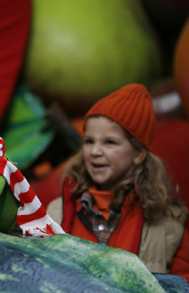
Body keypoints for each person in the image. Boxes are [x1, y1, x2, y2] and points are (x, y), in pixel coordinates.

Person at [47, 83, 189, 282]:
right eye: (89, 141)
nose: (95, 151)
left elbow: (182, 284)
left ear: (138, 153)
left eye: (109, 142)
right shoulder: (57, 212)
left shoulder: (168, 226)